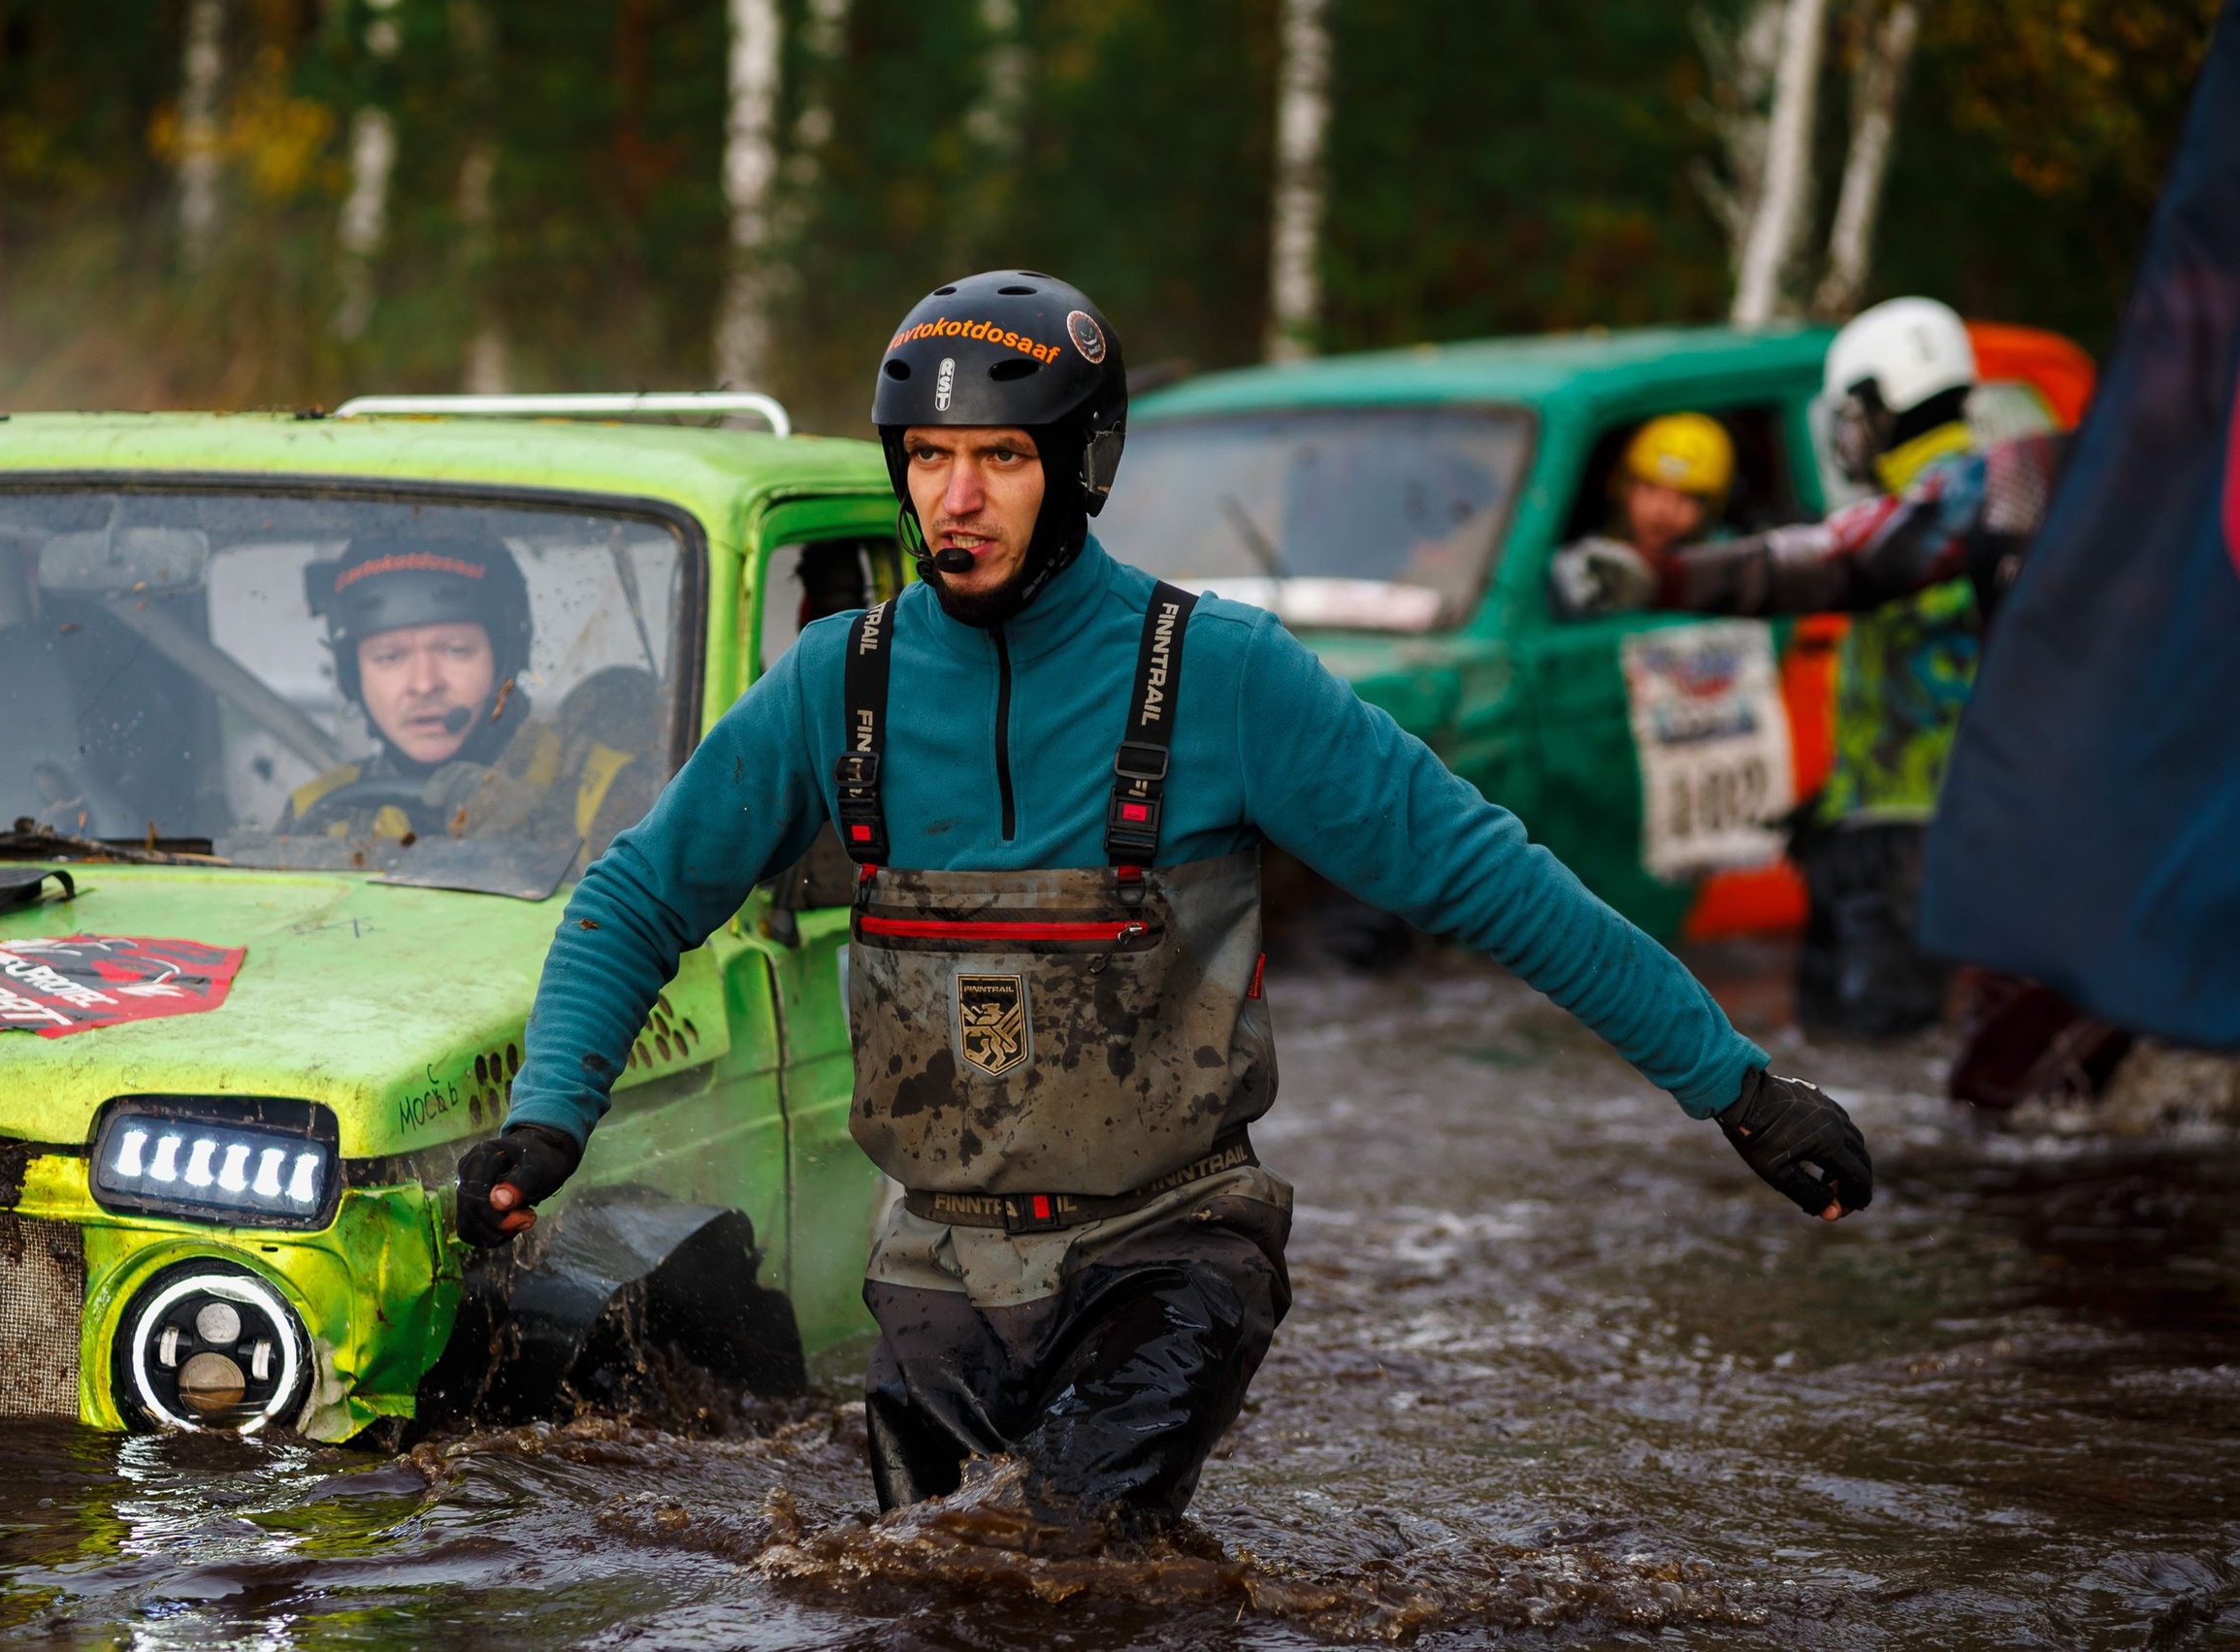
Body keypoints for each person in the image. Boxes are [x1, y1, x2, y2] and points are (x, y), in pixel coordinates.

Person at [458, 271, 1874, 1539]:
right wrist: (552, 1114)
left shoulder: (1227, 676)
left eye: (1002, 458)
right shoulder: (837, 684)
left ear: (1084, 465)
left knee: (1068, 1570)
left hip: (1170, 1247)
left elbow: (1493, 881)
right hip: (937, 1255)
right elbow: (635, 899)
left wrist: (1738, 1088)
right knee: (909, 1594)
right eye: (930, 457)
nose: (956, 498)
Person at [1555, 297, 2071, 1042]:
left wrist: (1659, 576)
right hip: (1888, 824)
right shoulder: (2000, 496)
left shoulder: (1958, 505)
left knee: (1878, 1047)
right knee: (1845, 1046)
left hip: (1918, 837)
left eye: (1848, 416)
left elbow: (1827, 565)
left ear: (1875, 407)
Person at [286, 536, 661, 856]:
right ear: (353, 676)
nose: (423, 683)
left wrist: (535, 827)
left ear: (506, 660)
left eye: (455, 650)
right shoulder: (317, 813)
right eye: (390, 657)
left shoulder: (602, 785)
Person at [1547, 411, 1737, 614]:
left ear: (1712, 507)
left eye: (1686, 497)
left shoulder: (1731, 570)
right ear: (1623, 487)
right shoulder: (1583, 562)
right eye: (1649, 488)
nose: (1662, 511)